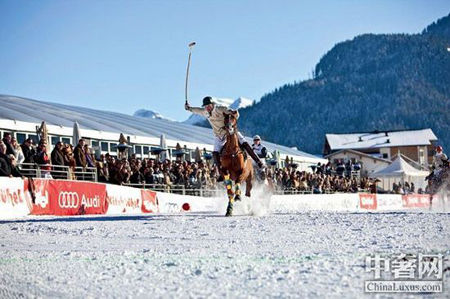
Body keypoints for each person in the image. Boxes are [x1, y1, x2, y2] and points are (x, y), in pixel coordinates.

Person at [185, 96, 264, 179]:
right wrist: (189, 108)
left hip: (230, 133)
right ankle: (220, 173)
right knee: (215, 153)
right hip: (219, 136)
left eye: (208, 105)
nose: (207, 108)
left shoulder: (220, 109)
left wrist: (234, 113)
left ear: (212, 104)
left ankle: (258, 162)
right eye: (205, 106)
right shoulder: (205, 112)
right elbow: (196, 110)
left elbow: (234, 114)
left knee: (245, 144)